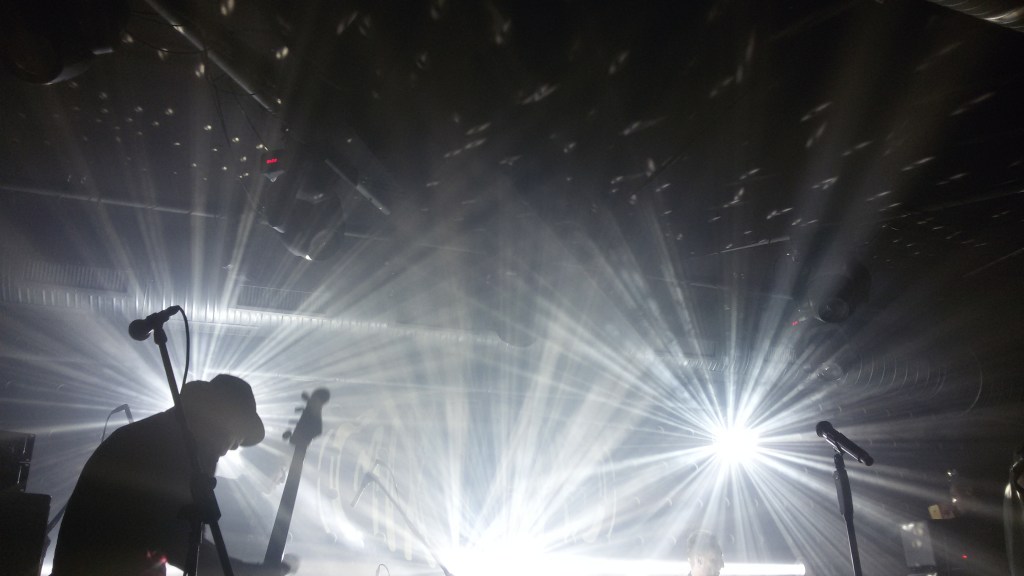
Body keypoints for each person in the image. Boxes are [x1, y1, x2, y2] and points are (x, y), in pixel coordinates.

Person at [52, 374, 289, 576]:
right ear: (221, 420)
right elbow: (176, 543)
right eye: (236, 436)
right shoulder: (160, 448)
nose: (234, 448)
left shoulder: (160, 437)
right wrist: (249, 572)